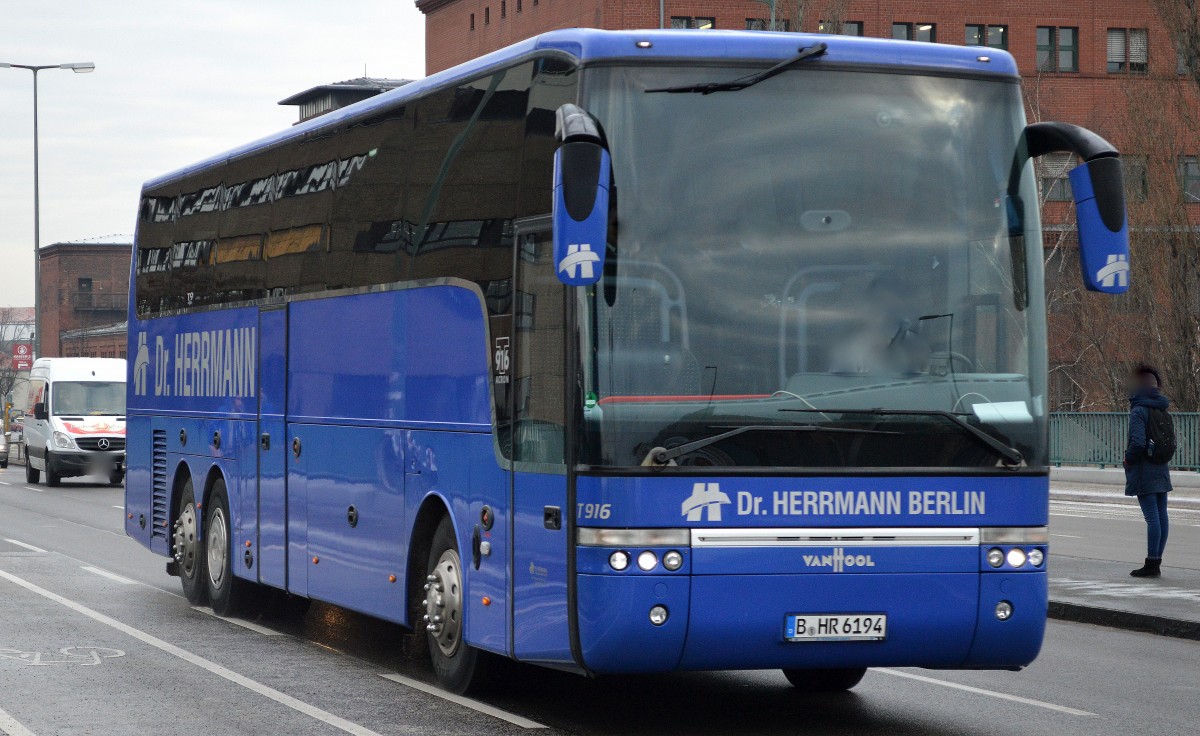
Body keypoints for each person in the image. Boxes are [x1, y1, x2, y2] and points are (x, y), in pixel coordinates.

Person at [1123, 364, 1172, 578]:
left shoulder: (1139, 410)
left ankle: (1151, 564)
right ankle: (1156, 561)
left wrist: (1127, 460)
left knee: (1152, 518)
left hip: (1144, 470)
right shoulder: (1161, 408)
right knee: (1162, 516)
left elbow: (1137, 442)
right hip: (1161, 467)